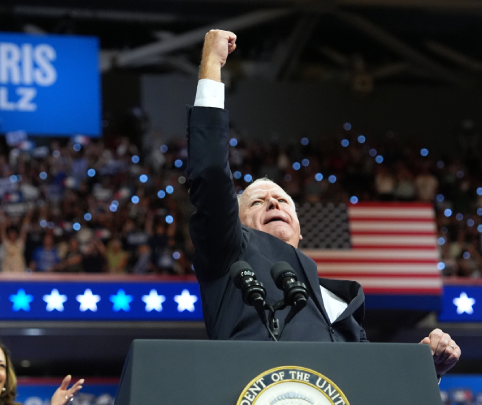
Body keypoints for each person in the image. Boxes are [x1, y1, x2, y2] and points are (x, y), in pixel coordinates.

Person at [186, 29, 460, 378]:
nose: (273, 201)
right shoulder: (229, 255)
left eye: (283, 199)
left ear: (300, 230)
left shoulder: (343, 301)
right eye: (257, 201)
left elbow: (368, 390)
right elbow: (210, 173)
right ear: (231, 223)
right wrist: (211, 63)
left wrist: (422, 368)